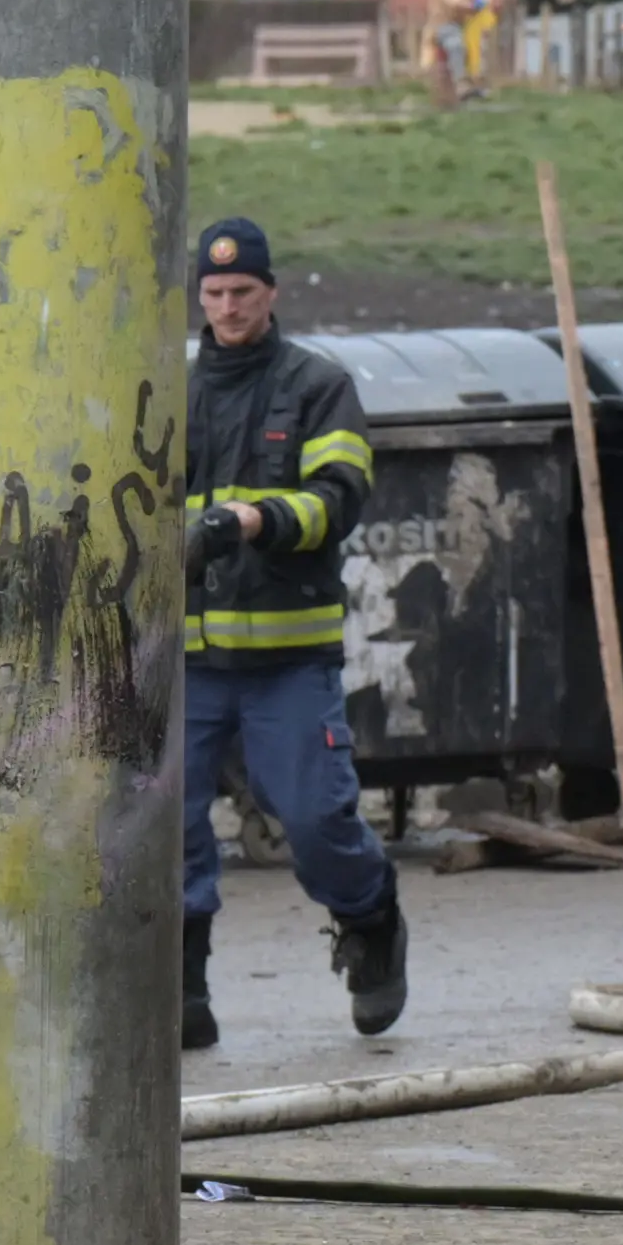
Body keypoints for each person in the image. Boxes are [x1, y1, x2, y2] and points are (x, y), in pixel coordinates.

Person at [179, 217, 403, 1049]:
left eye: (243, 293)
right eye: (214, 294)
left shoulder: (318, 387)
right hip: (189, 658)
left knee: (314, 819)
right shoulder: (172, 388)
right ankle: (184, 988)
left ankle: (371, 918)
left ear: (271, 293)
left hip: (285, 659)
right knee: (168, 825)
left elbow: (340, 497)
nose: (229, 308)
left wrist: (251, 519)